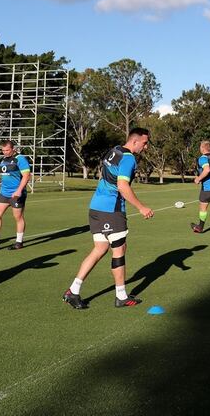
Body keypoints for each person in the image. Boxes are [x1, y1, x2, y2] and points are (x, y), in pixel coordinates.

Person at [63, 128, 154, 310]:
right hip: (111, 210)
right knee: (119, 250)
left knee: (99, 249)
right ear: (135, 141)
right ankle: (121, 296)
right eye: (144, 143)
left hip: (96, 207)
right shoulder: (128, 158)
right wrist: (141, 207)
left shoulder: (115, 150)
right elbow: (122, 186)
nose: (146, 147)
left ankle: (73, 290)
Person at [0, 140, 31, 251]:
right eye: (3, 150)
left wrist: (19, 191)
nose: (5, 152)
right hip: (3, 193)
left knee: (18, 217)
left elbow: (27, 176)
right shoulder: (3, 160)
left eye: (7, 150)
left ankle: (19, 242)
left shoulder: (20, 159)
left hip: (17, 194)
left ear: (13, 149)